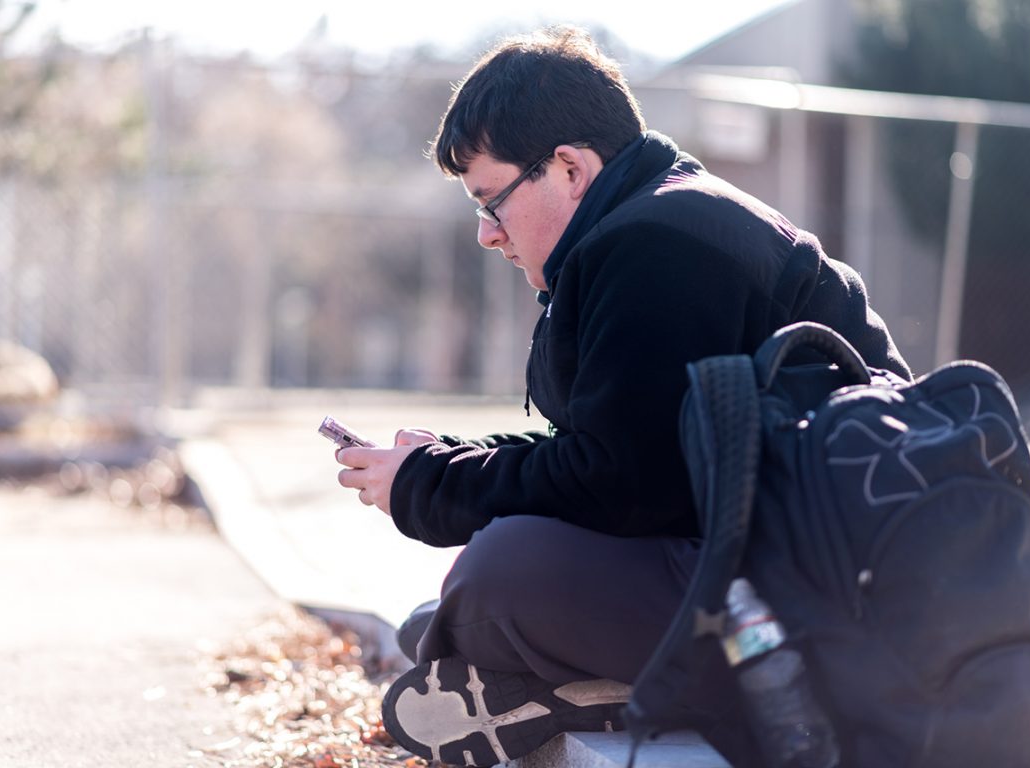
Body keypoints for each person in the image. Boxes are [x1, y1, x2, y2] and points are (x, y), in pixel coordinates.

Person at [335, 25, 911, 768]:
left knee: (495, 578)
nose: (486, 234)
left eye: (492, 202)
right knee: (457, 605)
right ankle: (586, 682)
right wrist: (453, 459)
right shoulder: (654, 218)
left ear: (569, 169)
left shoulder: (657, 246)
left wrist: (428, 483)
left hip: (815, 619)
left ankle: (640, 688)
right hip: (785, 582)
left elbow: (621, 487)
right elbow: (628, 450)